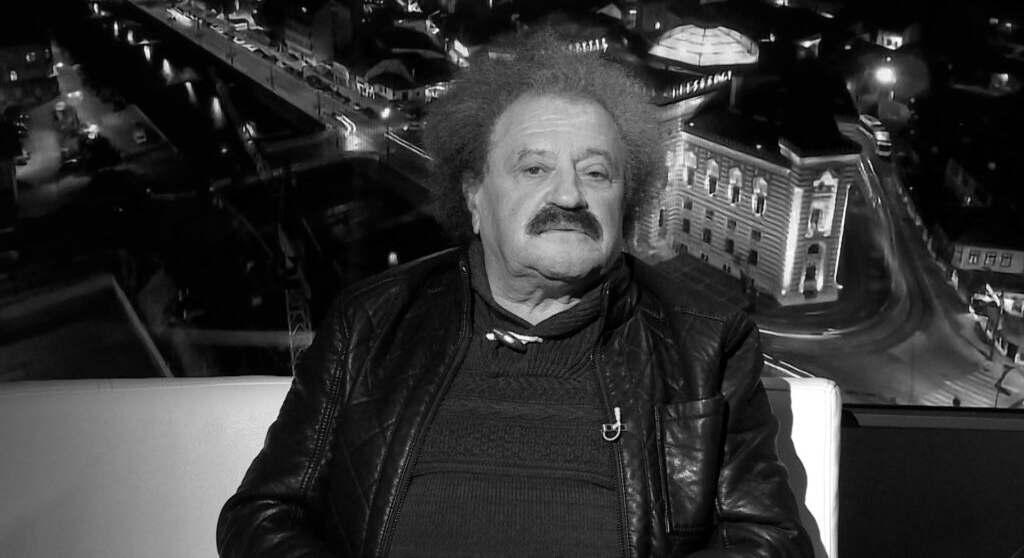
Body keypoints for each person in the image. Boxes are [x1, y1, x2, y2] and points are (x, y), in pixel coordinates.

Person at [217, 30, 812, 558]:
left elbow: (770, 541)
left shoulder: (705, 344)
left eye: (597, 173)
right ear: (474, 197)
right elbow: (262, 517)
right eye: (534, 169)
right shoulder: (368, 323)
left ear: (626, 204)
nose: (570, 196)